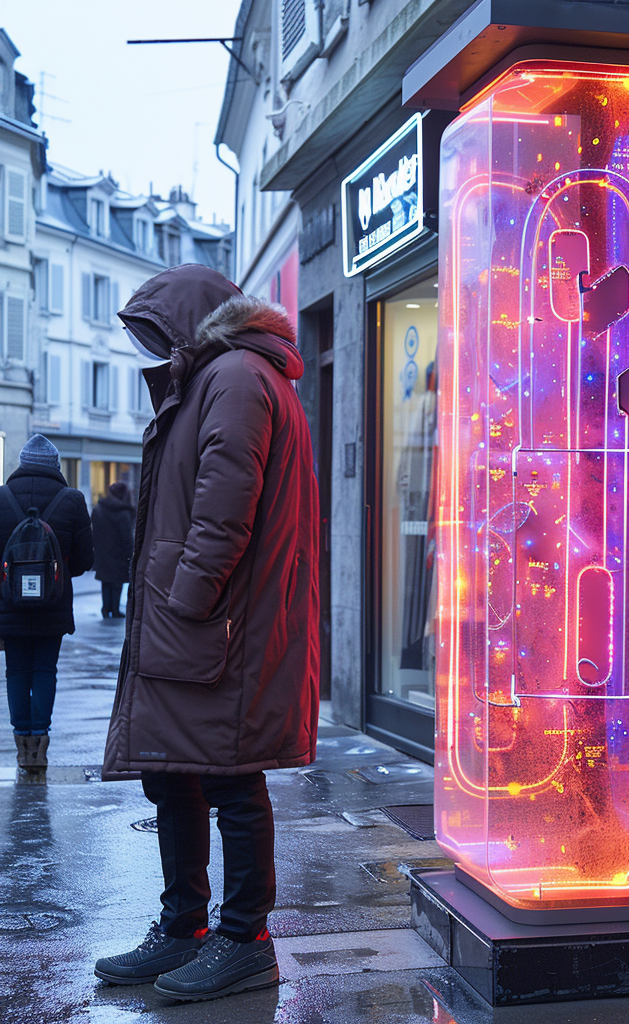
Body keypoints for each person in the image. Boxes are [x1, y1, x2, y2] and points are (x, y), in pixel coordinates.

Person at [94, 264, 319, 1001]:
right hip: (196, 619)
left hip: (219, 622)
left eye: (159, 335)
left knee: (229, 773)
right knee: (174, 771)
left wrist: (186, 598)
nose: (152, 354)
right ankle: (184, 924)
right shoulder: (221, 375)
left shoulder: (236, 376)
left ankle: (245, 936)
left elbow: (225, 505)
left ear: (192, 321)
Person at [0, 434, 93, 770]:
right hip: (53, 606)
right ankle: (40, 745)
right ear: (55, 466)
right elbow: (84, 561)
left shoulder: (2, 498)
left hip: (9, 605)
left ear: (21, 465)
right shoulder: (72, 499)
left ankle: (21, 746)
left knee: (16, 672)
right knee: (44, 671)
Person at [90, 481, 134, 618]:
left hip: (103, 551)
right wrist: (131, 554)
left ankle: (106, 608)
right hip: (118, 553)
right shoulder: (123, 513)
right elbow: (127, 537)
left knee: (106, 581)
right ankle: (114, 609)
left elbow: (93, 531)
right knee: (117, 582)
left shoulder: (99, 509)